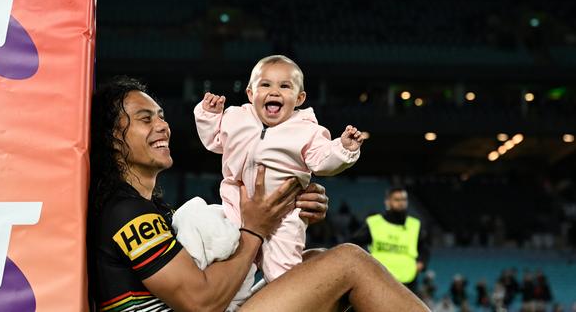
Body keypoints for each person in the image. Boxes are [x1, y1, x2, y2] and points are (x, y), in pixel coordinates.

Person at [87, 76, 430, 312]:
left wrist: (287, 208)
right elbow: (201, 302)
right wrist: (255, 229)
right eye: (145, 119)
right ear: (110, 138)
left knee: (317, 262)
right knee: (349, 262)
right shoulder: (125, 213)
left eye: (161, 117)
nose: (163, 126)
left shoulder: (144, 209)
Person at [194, 54, 364, 282]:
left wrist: (344, 148)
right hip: (235, 204)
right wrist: (209, 115)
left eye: (285, 86)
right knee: (228, 264)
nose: (274, 92)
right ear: (251, 93)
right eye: (265, 84)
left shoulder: (307, 131)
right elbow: (214, 140)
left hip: (284, 214)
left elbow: (322, 160)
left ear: (300, 98)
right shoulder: (235, 117)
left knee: (283, 274)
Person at [353, 187, 430, 293]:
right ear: (387, 202)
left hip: (408, 281)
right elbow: (353, 243)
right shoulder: (374, 223)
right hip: (379, 279)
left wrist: (420, 264)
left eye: (404, 200)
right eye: (397, 200)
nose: (401, 203)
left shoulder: (415, 225)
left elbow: (424, 249)